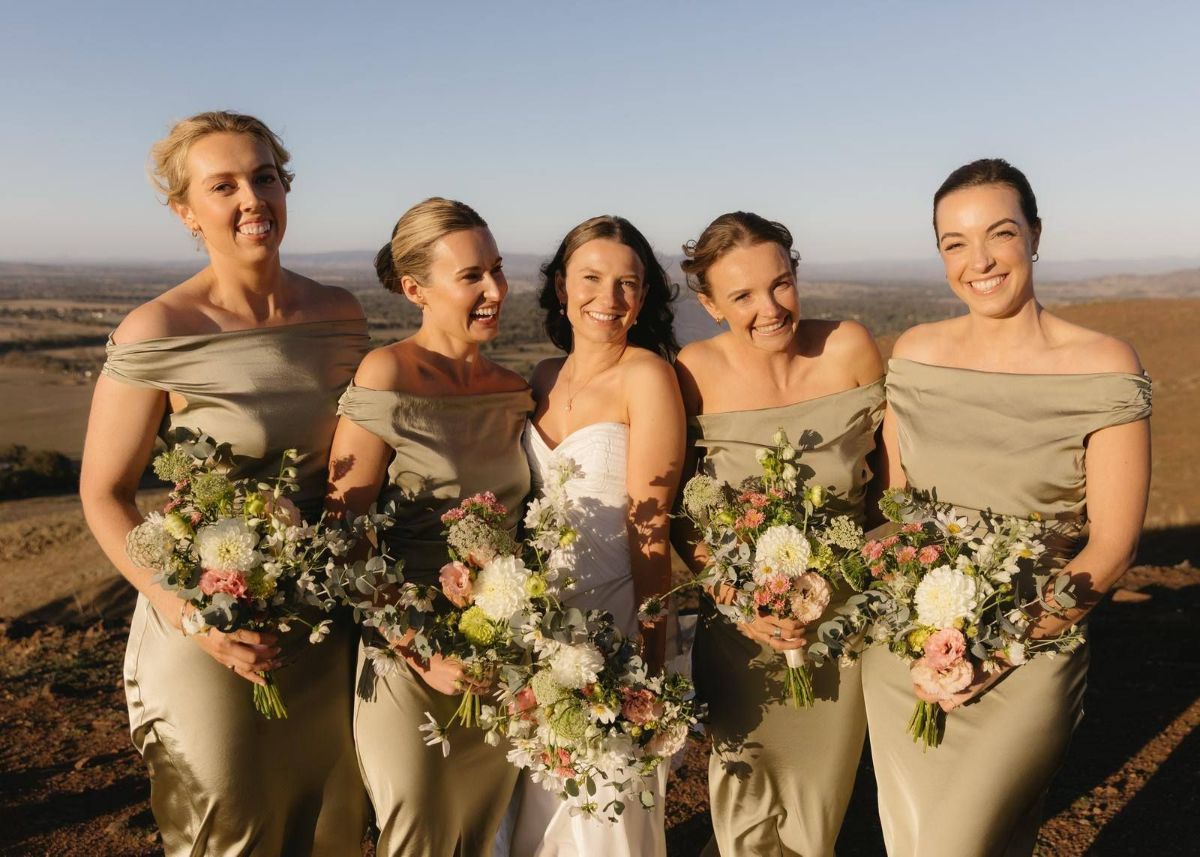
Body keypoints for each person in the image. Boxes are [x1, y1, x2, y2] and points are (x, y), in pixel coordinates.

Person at [80, 110, 369, 856]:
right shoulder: (157, 329)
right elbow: (104, 493)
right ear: (186, 211)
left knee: (331, 820)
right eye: (224, 185)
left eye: (265, 176)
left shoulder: (340, 317)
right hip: (207, 627)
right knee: (229, 827)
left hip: (322, 620)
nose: (252, 198)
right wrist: (188, 614)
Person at [861, 158, 1152, 857]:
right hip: (906, 654)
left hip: (1035, 652)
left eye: (999, 234)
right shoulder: (916, 354)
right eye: (954, 243)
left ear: (1035, 235)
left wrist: (995, 650)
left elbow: (1112, 549)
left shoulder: (1103, 365)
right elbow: (896, 508)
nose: (979, 260)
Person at [671, 211, 885, 857]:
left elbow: (889, 491)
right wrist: (740, 604)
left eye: (781, 283)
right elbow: (683, 510)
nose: (769, 307)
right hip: (741, 629)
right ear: (710, 304)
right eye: (741, 295)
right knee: (744, 799)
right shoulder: (693, 370)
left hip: (843, 627)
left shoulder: (850, 346)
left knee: (818, 807)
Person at [325, 197, 531, 857]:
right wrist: (421, 650)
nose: (496, 289)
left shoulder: (513, 386)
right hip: (405, 656)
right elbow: (343, 536)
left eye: (496, 269)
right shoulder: (387, 374)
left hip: (497, 651)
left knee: (476, 833)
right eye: (472, 275)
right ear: (415, 289)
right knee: (415, 831)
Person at [508, 215, 685, 857]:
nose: (607, 299)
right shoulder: (539, 376)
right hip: (534, 626)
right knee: (535, 800)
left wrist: (652, 661)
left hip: (615, 620)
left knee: (599, 813)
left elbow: (650, 526)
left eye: (627, 283)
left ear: (644, 299)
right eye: (590, 278)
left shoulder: (647, 376)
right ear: (561, 286)